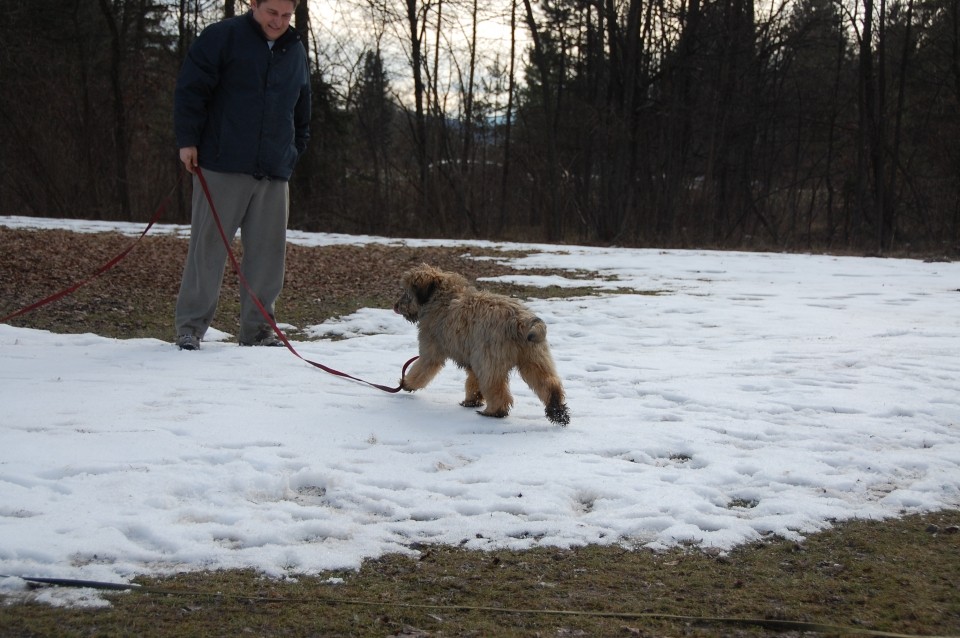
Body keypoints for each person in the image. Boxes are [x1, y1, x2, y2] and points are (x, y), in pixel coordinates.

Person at [173, 0, 311, 350]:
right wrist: (188, 140)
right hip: (221, 163)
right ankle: (190, 326)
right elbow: (191, 90)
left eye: (285, 15)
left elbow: (303, 106)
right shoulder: (222, 37)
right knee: (208, 249)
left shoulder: (295, 50)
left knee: (268, 255)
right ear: (254, 4)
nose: (278, 21)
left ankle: (259, 330)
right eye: (271, 13)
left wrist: (293, 150)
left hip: (274, 170)